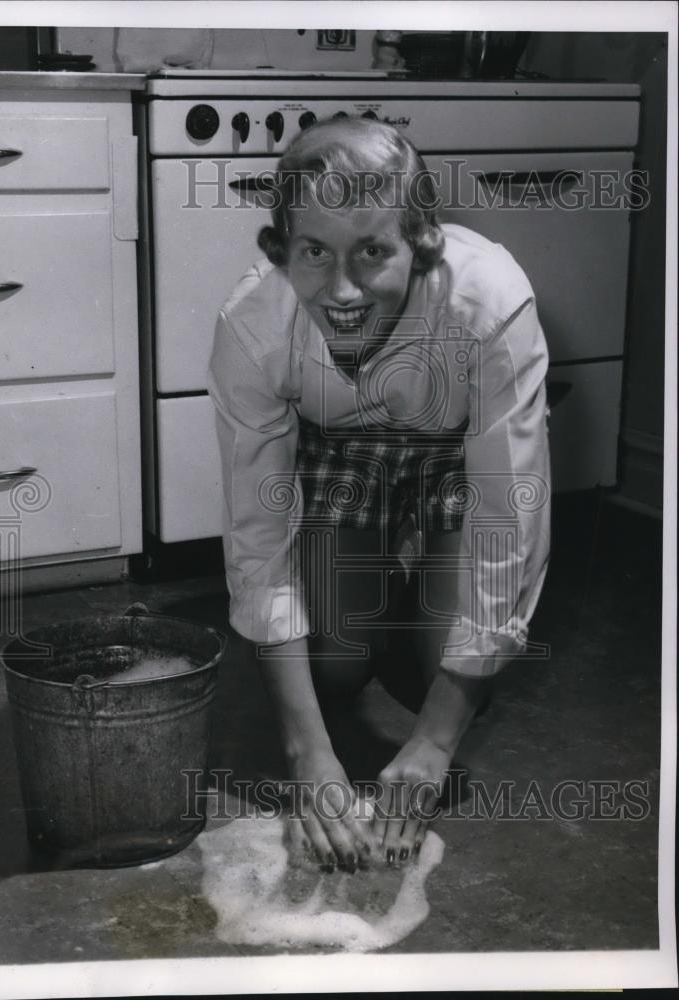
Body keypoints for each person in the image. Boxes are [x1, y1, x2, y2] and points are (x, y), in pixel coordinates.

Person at [207, 116, 551, 873]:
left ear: (420, 242)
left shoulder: (490, 300)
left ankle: (416, 608)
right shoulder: (251, 328)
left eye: (372, 251)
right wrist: (309, 757)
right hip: (341, 461)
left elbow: (510, 515)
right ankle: (377, 602)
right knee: (334, 666)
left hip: (453, 459)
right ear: (280, 251)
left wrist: (431, 742)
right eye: (313, 253)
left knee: (449, 677)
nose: (342, 291)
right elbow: (257, 536)